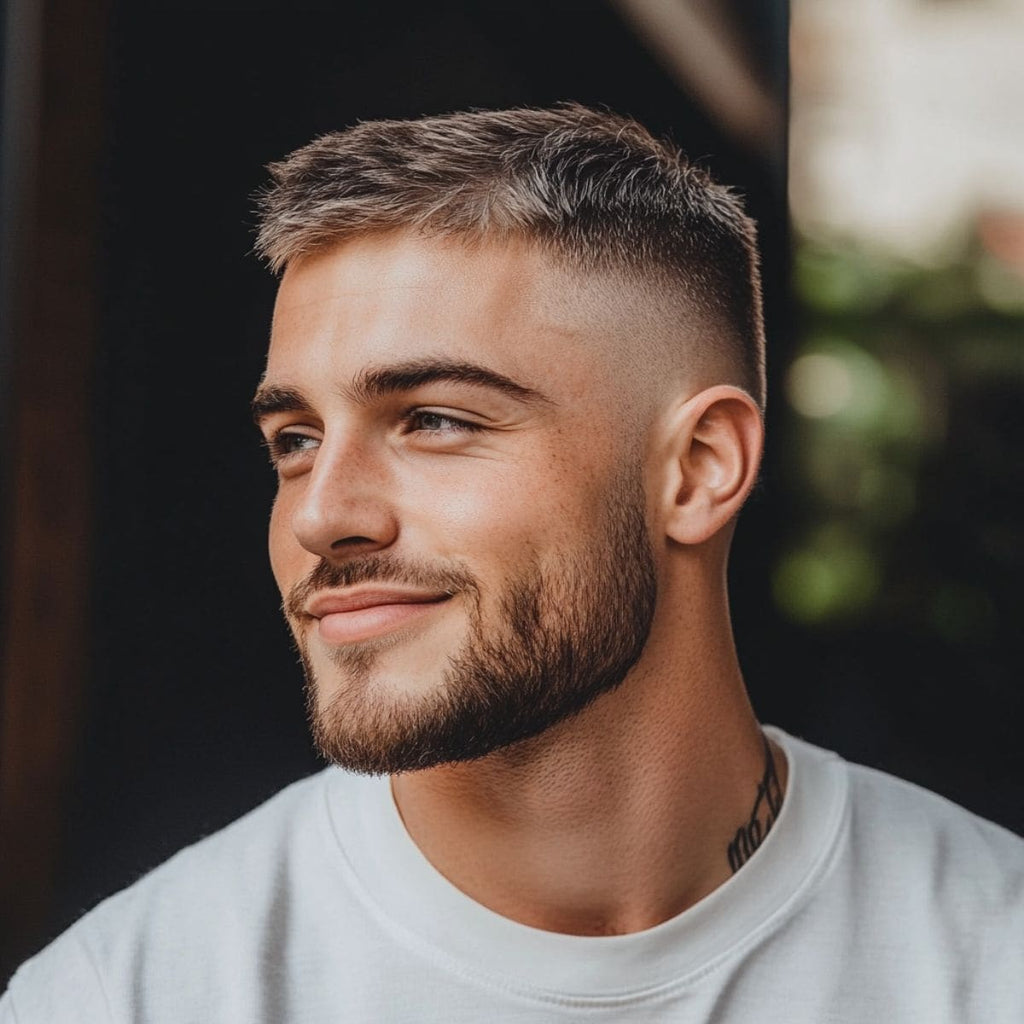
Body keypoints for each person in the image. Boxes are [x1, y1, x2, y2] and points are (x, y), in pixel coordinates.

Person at [2, 103, 1021, 1023]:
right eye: (296, 439)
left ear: (698, 469)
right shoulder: (127, 994)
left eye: (434, 419)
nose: (320, 514)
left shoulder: (988, 959)